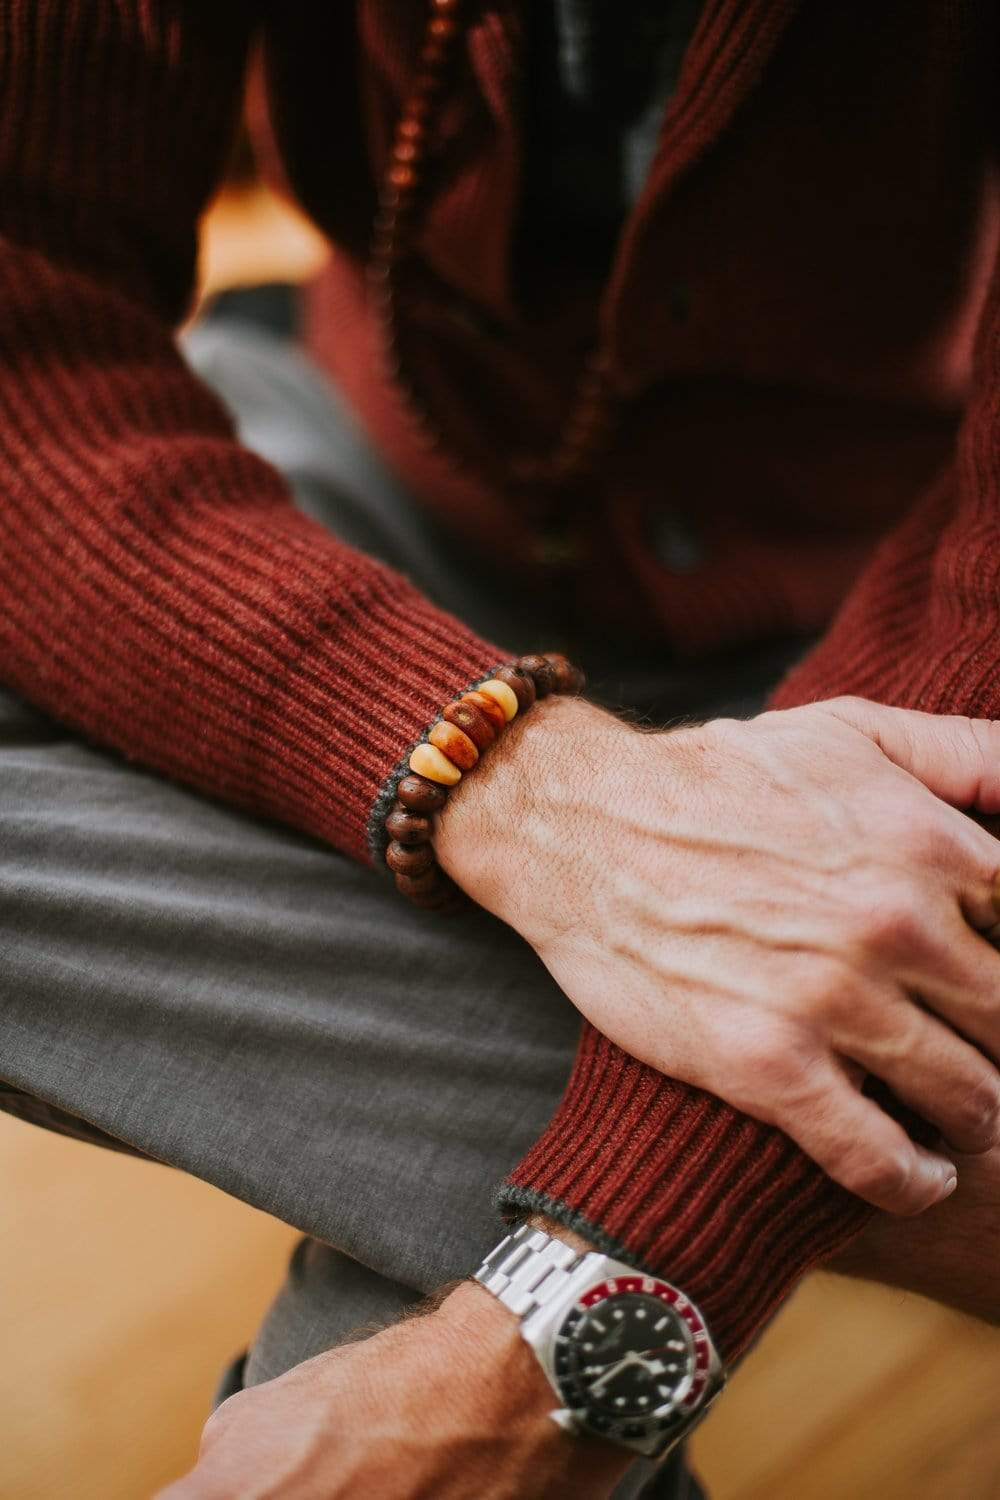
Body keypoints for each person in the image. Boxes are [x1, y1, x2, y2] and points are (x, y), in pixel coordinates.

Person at [1, 4, 998, 1496]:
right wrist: (533, 796)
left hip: (928, 660)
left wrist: (542, 1352)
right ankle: (937, 1169)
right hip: (363, 481)